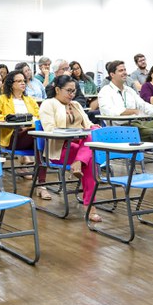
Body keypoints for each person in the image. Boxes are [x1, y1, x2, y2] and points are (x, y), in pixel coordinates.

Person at [38, 75, 100, 221]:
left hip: (80, 146)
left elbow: (87, 124)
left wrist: (93, 127)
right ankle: (90, 207)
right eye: (69, 91)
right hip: (61, 147)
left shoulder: (76, 105)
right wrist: (74, 133)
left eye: (74, 91)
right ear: (58, 89)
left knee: (92, 137)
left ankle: (78, 162)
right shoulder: (48, 104)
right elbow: (49, 129)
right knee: (90, 158)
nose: (72, 94)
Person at [0, 70, 51, 200]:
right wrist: (12, 119)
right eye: (19, 81)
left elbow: (39, 116)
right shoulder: (2, 99)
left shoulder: (30, 100)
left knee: (41, 142)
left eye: (24, 81)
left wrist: (30, 122)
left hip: (31, 135)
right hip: (13, 137)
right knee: (40, 138)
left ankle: (42, 184)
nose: (23, 83)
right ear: (11, 84)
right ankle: (41, 184)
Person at [97, 60, 153, 142]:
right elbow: (110, 111)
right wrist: (133, 111)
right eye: (121, 70)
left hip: (137, 124)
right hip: (120, 129)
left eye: (125, 70)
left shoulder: (129, 90)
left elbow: (143, 105)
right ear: (112, 74)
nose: (125, 73)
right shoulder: (105, 91)